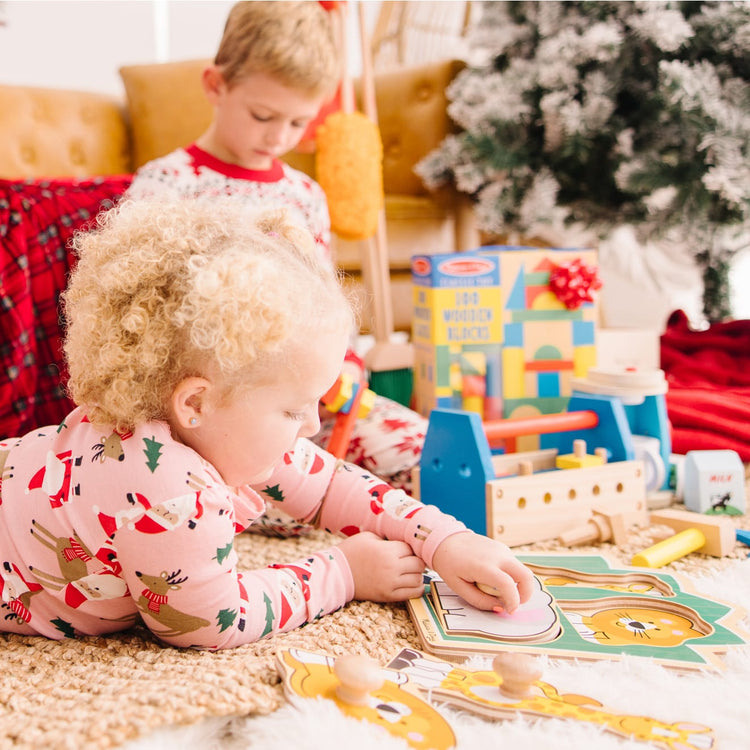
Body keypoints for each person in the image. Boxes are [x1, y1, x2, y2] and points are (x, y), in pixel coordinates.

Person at [0, 199, 534, 649]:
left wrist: (446, 540)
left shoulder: (214, 426)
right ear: (196, 404)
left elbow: (330, 486)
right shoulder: (166, 492)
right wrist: (344, 574)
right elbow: (210, 622)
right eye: (293, 408)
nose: (312, 425)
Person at [124, 1, 428, 505]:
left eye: (298, 124)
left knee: (420, 451)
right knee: (202, 490)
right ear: (215, 86)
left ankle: (308, 495)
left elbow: (323, 298)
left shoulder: (304, 194)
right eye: (263, 115)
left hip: (305, 403)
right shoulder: (166, 185)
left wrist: (344, 362)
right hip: (213, 413)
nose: (278, 137)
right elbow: (139, 316)